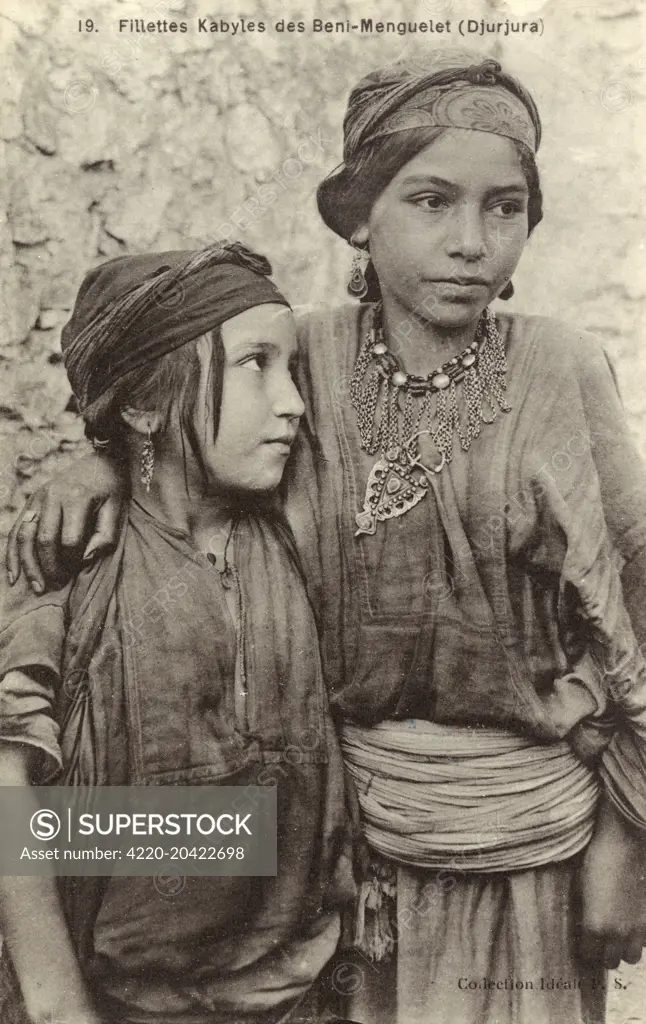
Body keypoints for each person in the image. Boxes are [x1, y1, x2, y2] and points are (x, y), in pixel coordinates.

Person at [7, 50, 646, 1024]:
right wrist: (100, 457)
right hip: (353, 867)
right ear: (358, 215)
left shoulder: (557, 370)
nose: (471, 241)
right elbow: (176, 386)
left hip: (529, 847)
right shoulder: (300, 355)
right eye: (430, 201)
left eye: (505, 207)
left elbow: (635, 595)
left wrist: (625, 836)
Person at [0, 242, 355, 1024]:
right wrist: (60, 1005)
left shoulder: (301, 529)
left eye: (291, 367)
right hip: (120, 1003)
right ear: (142, 404)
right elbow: (9, 790)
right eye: (256, 364)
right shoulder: (73, 563)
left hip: (309, 996)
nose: (293, 401)